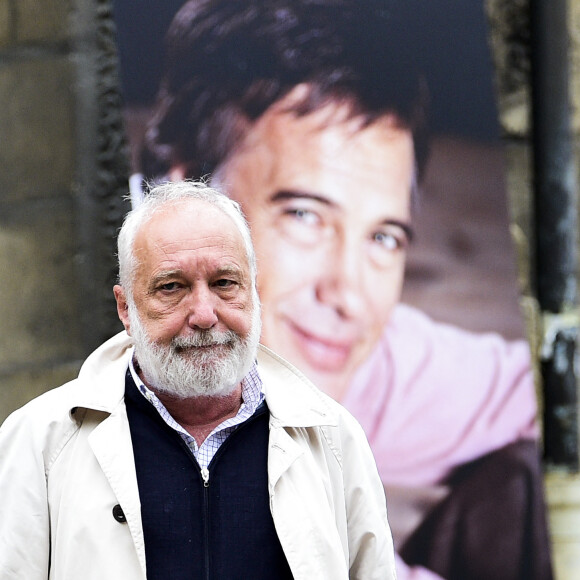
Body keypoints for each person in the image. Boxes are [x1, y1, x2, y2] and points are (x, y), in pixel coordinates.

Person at [134, 1, 553, 578]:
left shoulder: (310, 339)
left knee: (523, 485)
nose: (350, 297)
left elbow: (532, 385)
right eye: (305, 216)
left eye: (383, 237)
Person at [0, 181, 396, 579]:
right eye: (172, 287)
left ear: (254, 294)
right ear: (126, 308)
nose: (205, 314)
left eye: (225, 283)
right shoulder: (41, 441)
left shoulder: (332, 438)